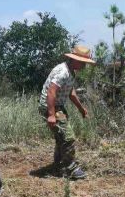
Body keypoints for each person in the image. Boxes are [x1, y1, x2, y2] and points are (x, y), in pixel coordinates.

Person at [39, 45, 95, 180]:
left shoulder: (71, 72)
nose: (84, 66)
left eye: (85, 63)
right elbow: (51, 91)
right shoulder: (63, 71)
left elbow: (71, 92)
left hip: (58, 106)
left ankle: (58, 165)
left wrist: (81, 108)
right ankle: (70, 168)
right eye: (82, 62)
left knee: (61, 137)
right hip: (51, 106)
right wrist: (51, 114)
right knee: (68, 137)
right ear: (74, 60)